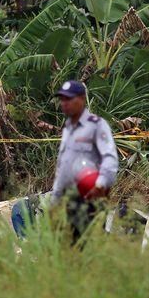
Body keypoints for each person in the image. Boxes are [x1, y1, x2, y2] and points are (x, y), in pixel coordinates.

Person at [49, 80, 119, 242]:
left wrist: (100, 185)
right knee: (65, 249)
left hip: (89, 198)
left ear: (81, 99)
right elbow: (63, 168)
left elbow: (110, 158)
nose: (64, 104)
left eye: (68, 99)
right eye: (62, 100)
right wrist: (55, 200)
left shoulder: (97, 125)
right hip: (68, 201)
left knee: (87, 247)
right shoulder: (67, 128)